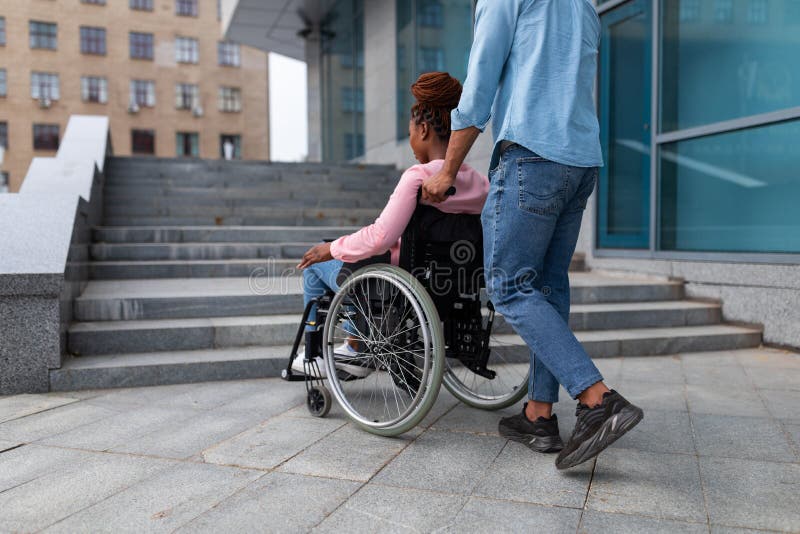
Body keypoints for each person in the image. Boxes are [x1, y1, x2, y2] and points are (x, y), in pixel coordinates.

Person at [422, 0, 643, 470]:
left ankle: (597, 399)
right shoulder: (584, 6)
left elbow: (479, 87)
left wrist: (448, 172)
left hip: (533, 156)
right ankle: (539, 415)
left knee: (508, 285)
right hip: (580, 160)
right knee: (547, 285)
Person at [292, 71, 490, 379]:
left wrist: (329, 249)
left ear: (423, 129)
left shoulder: (418, 175)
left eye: (410, 130)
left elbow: (381, 236)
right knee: (351, 254)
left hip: (401, 279)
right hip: (452, 283)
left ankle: (338, 349)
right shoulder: (479, 182)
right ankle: (355, 343)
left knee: (317, 264)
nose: (411, 139)